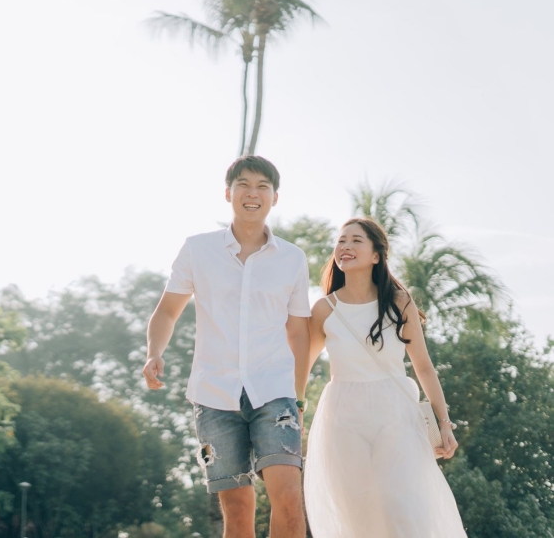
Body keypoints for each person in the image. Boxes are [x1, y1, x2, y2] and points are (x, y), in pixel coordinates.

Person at [142, 156, 311, 538]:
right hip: (214, 395)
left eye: (262, 187)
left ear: (275, 197)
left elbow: (299, 333)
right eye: (244, 185)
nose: (253, 194)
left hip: (275, 393)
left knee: (288, 497)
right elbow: (167, 312)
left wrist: (298, 397)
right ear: (228, 193)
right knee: (236, 510)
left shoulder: (292, 258)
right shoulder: (198, 249)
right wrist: (154, 352)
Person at [303, 217, 466, 537]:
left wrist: (444, 423)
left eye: (356, 241)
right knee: (358, 514)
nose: (345, 246)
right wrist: (292, 411)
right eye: (341, 241)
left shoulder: (398, 302)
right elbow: (302, 368)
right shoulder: (324, 309)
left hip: (395, 412)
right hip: (343, 415)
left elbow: (423, 367)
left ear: (376, 255)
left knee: (403, 508)